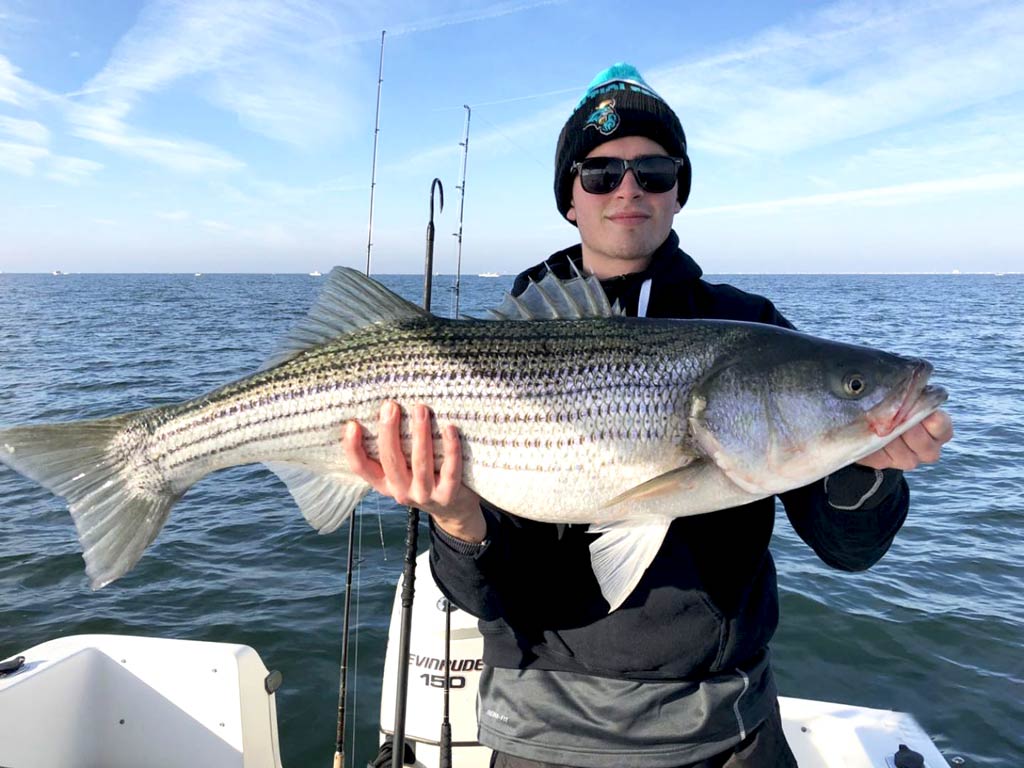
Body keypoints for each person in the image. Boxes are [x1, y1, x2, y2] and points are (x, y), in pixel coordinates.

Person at [344, 63, 954, 768]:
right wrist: (456, 519)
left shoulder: (752, 329)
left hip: (728, 730)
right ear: (570, 198)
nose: (627, 188)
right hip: (542, 734)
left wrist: (863, 469)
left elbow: (852, 550)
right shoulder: (508, 333)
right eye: (600, 174)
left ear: (678, 192)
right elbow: (483, 594)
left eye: (654, 171)